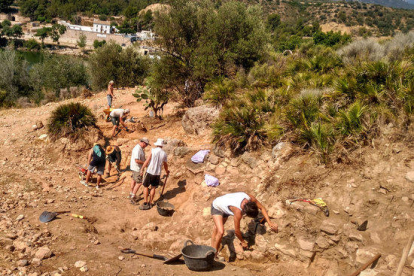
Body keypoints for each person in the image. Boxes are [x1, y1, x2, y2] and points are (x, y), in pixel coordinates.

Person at [210, 192, 278, 259]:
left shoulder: (251, 198)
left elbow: (262, 208)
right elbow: (237, 231)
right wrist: (242, 241)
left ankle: (211, 250)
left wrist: (269, 222)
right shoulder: (238, 211)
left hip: (225, 206)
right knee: (220, 231)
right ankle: (214, 255)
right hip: (217, 206)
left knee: (217, 228)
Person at [139, 138, 169, 210]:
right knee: (153, 187)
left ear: (157, 144)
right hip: (157, 173)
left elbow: (147, 160)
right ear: (162, 145)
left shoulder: (153, 150)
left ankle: (145, 202)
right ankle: (151, 202)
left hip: (149, 171)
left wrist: (142, 168)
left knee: (146, 187)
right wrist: (167, 171)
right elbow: (165, 164)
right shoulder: (164, 153)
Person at [129, 138, 150, 204]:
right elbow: (137, 160)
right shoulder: (137, 149)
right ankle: (133, 197)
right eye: (146, 144)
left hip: (135, 167)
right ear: (144, 143)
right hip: (137, 168)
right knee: (139, 182)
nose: (146, 146)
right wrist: (144, 163)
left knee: (134, 180)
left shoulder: (139, 148)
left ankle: (131, 193)